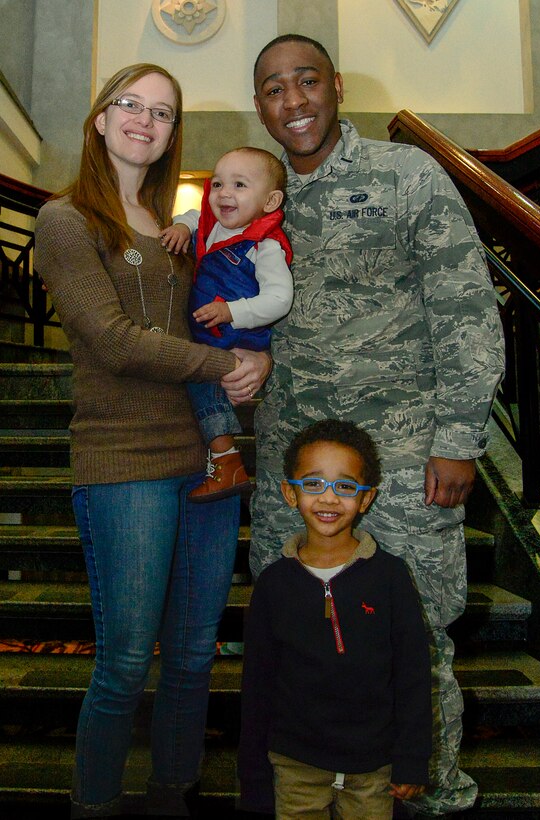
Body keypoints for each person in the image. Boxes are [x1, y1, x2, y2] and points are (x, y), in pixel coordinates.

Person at [226, 34, 506, 815]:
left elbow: (467, 313)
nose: (294, 102)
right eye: (275, 90)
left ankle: (436, 795)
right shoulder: (258, 197)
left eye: (306, 82)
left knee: (416, 639)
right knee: (302, 641)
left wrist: (459, 437)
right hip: (295, 469)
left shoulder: (405, 175)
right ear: (261, 107)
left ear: (337, 87)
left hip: (404, 462)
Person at [34, 63, 267, 819]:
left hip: (205, 459)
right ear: (99, 119)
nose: (144, 119)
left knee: (196, 655)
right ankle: (95, 804)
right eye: (128, 104)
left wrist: (256, 354)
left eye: (162, 112)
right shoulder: (66, 220)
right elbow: (112, 341)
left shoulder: (183, 230)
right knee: (128, 662)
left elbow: (216, 311)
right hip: (124, 463)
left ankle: (174, 794)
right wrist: (224, 363)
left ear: (173, 134)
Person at [238, 419, 432, 818]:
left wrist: (411, 759)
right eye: (313, 484)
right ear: (290, 494)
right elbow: (257, 682)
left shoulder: (391, 577)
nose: (328, 499)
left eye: (345, 486)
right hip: (295, 764)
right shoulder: (274, 584)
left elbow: (413, 674)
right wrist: (254, 776)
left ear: (366, 499)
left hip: (373, 767)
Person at [160, 147, 293, 503]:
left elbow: (280, 299)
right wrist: (181, 227)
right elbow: (193, 214)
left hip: (238, 335)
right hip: (210, 332)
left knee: (200, 380)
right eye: (217, 183)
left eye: (239, 184)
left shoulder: (264, 246)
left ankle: (226, 459)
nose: (224, 193)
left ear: (270, 200)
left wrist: (234, 311)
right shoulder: (215, 226)